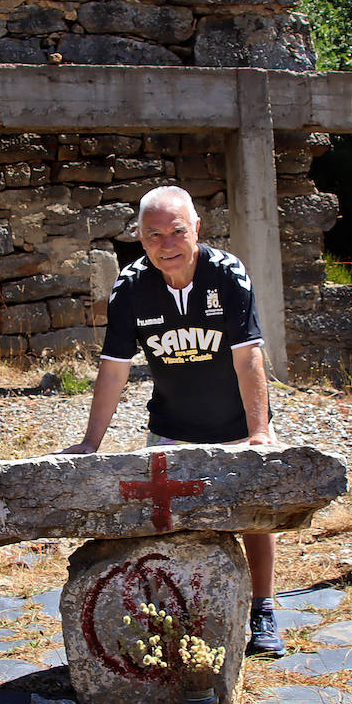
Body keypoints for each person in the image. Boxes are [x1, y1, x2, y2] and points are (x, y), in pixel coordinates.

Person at [60, 185, 285, 656]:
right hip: (171, 424)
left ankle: (262, 610)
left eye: (177, 231)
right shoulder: (130, 288)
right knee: (165, 522)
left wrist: (259, 431)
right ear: (139, 238)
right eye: (153, 235)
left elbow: (249, 359)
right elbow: (114, 368)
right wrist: (90, 442)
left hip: (235, 421)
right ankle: (180, 614)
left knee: (255, 518)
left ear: (196, 228)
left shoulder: (228, 276)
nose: (167, 244)